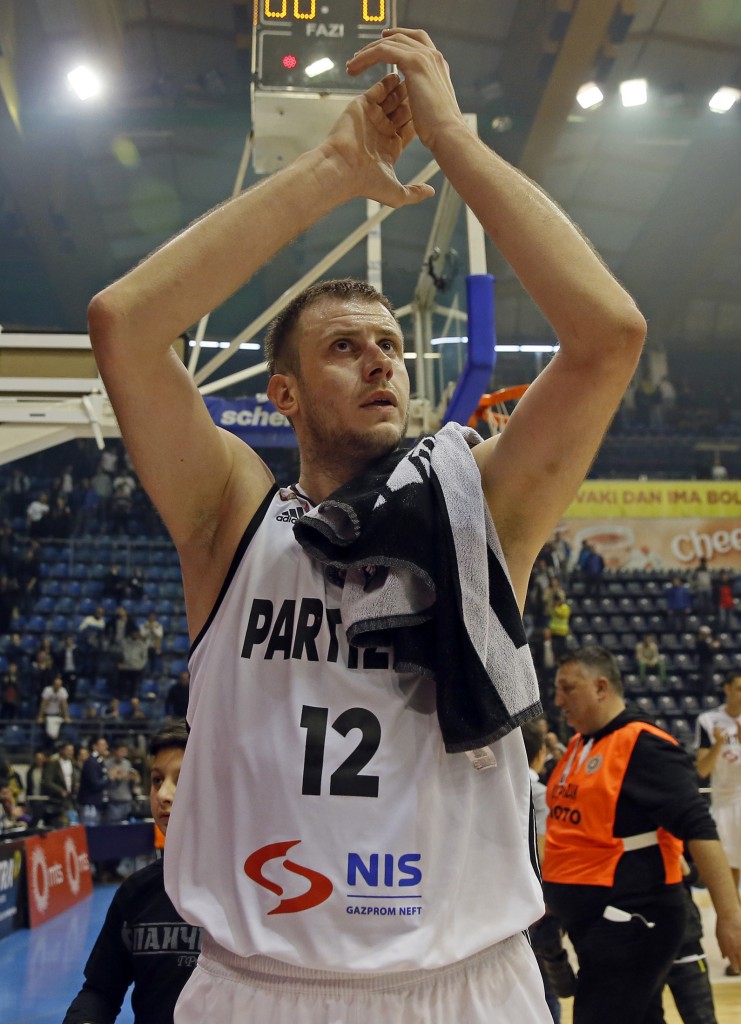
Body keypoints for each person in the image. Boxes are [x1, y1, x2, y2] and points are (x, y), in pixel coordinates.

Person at [87, 27, 647, 1023]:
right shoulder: (230, 518)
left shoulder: (482, 509)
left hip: (463, 983)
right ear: (284, 394)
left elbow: (609, 335)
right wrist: (335, 169)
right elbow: (124, 324)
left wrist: (453, 138)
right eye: (345, 348)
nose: (382, 359)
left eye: (389, 344)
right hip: (260, 986)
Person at [542, 646, 741, 1024]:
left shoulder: (644, 744)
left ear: (601, 687)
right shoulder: (581, 743)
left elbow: (700, 828)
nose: (558, 700)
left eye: (568, 688)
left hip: (633, 919)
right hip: (595, 924)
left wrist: (730, 917)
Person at [63, 721, 201, 1024]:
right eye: (157, 780)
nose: (163, 794)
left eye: (182, 779)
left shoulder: (255, 893)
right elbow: (100, 991)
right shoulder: (136, 892)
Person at [695, 670, 741, 976]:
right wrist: (718, 745)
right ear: (726, 689)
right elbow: (701, 770)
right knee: (729, 885)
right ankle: (736, 957)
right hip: (724, 805)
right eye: (739, 688)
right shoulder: (709, 721)